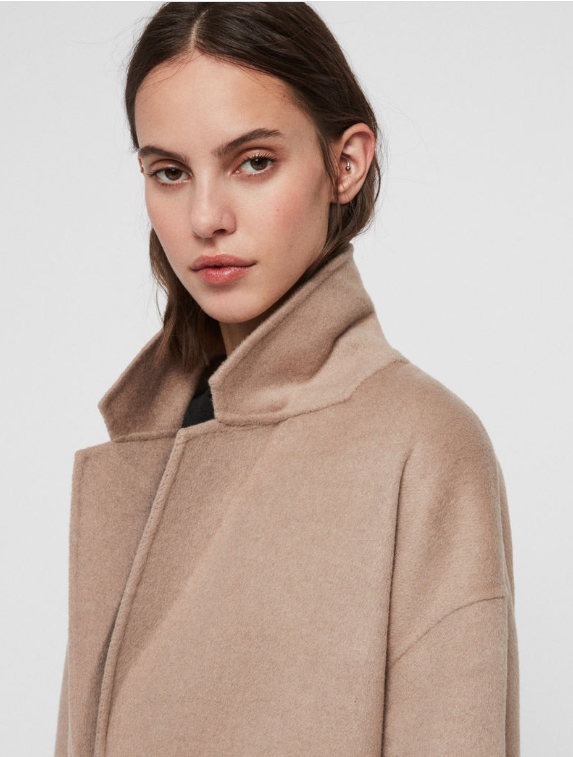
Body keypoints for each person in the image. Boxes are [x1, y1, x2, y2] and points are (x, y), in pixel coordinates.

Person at [53, 3, 519, 756]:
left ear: (345, 164)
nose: (205, 217)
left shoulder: (423, 445)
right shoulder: (152, 436)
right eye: (169, 172)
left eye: (253, 162)